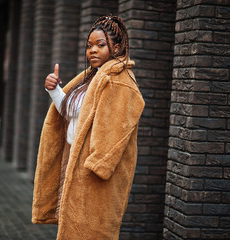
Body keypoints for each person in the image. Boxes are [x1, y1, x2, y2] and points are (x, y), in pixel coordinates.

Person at [32, 15, 145, 239]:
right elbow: (73, 112)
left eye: (100, 45)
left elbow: (117, 128)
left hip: (94, 173)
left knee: (93, 231)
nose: (92, 50)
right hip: (78, 164)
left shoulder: (119, 81)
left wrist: (98, 163)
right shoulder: (92, 77)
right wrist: (54, 89)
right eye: (89, 46)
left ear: (118, 47)